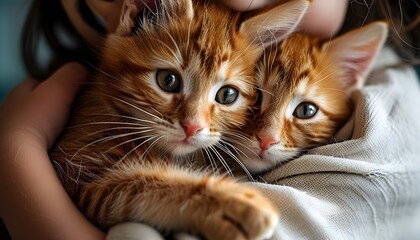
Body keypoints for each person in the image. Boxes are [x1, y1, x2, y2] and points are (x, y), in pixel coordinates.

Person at [0, 0, 419, 239]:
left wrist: (16, 156)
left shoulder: (387, 118)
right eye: (168, 79)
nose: (194, 123)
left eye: (227, 94)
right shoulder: (100, 86)